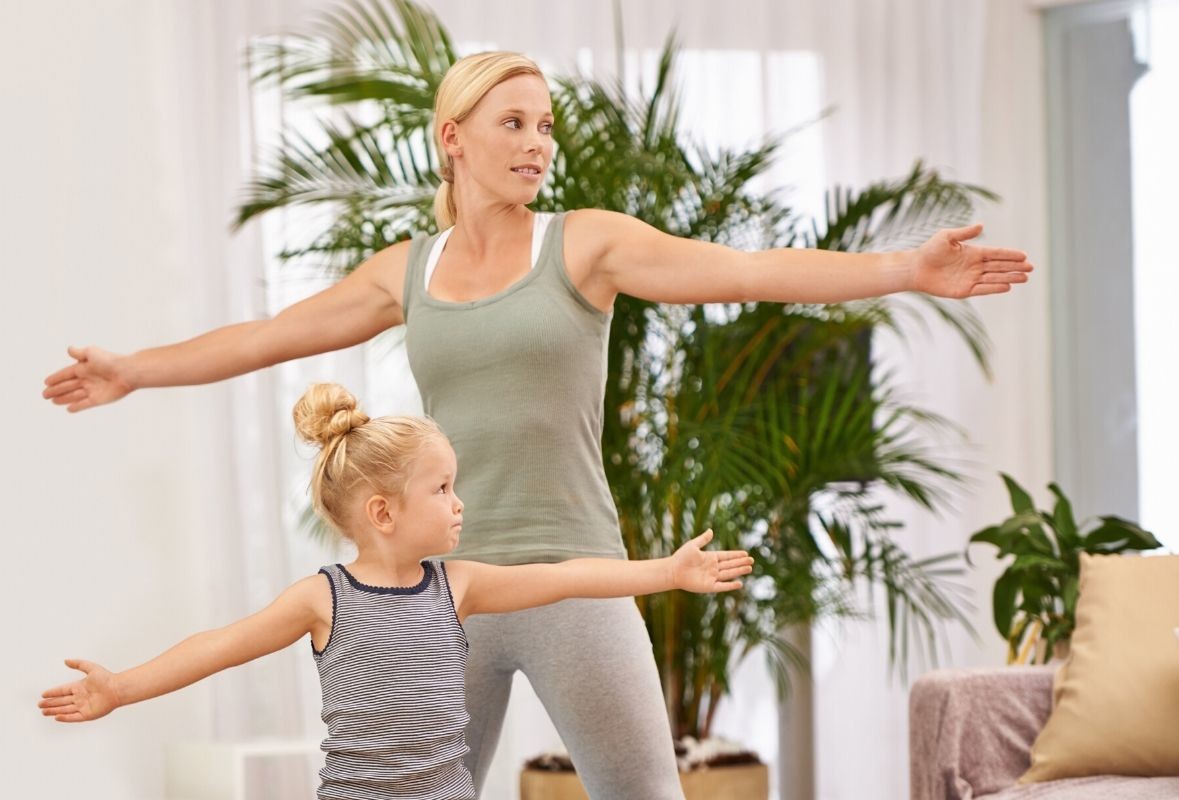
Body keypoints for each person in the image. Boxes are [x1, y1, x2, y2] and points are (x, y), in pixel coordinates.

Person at [41, 51, 1033, 799]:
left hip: (573, 577)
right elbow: (270, 335)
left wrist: (904, 269)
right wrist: (136, 368)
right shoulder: (408, 270)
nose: (538, 144)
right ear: (452, 137)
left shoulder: (585, 244)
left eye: (546, 126)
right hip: (437, 599)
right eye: (513, 122)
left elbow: (740, 267)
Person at [38, 383, 753, 800]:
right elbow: (219, 648)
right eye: (441, 489)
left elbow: (564, 576)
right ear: (383, 513)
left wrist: (665, 571)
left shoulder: (457, 586)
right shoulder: (323, 600)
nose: (458, 503)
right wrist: (121, 689)